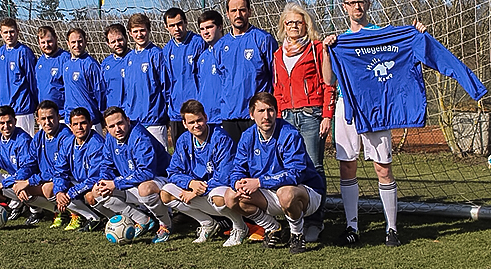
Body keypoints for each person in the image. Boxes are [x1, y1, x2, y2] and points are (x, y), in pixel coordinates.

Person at [323, 0, 478, 248]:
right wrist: (328, 51)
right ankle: (352, 227)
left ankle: (391, 228)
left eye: (361, 2)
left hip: (378, 109)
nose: (357, 7)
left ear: (368, 4)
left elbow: (430, 52)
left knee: (383, 168)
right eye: (351, 3)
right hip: (346, 107)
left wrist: (417, 35)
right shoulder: (340, 42)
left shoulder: (387, 35)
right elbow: (328, 79)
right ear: (344, 7)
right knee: (347, 166)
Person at [224, 92, 325, 254]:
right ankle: (274, 228)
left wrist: (259, 182)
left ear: (276, 112)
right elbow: (237, 169)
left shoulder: (289, 134)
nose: (266, 116)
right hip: (270, 192)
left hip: (305, 192)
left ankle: (297, 235)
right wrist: (237, 182)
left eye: (270, 110)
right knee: (231, 196)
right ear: (251, 115)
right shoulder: (247, 137)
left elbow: (295, 174)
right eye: (261, 111)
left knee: (286, 192)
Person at [272, 2, 336, 242]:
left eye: (298, 22)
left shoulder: (317, 48)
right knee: (290, 168)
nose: (294, 27)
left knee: (314, 167)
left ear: (306, 24)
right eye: (289, 23)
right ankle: (295, 219)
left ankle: (315, 221)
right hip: (286, 117)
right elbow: (277, 89)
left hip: (311, 115)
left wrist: (327, 114)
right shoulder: (278, 54)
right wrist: (278, 118)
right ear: (283, 26)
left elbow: (329, 84)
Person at [160, 99, 247, 247]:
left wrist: (198, 190)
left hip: (217, 188)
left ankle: (240, 227)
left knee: (219, 197)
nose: (196, 125)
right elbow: (173, 171)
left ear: (206, 117)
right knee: (166, 193)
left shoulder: (221, 138)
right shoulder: (183, 140)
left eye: (199, 120)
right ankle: (207, 223)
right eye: (191, 122)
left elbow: (225, 175)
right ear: (184, 124)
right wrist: (190, 183)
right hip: (196, 189)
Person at [88, 106, 172, 243]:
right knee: (97, 191)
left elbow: (146, 172)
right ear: (106, 128)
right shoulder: (110, 138)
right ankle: (143, 220)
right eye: (112, 126)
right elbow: (106, 164)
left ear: (127, 120)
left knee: (145, 189)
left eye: (120, 123)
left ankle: (166, 224)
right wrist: (104, 181)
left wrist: (115, 183)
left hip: (161, 178)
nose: (117, 129)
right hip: (133, 181)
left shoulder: (140, 137)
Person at [215, 0, 278, 143]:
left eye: (242, 10)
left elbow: (275, 77)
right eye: (234, 11)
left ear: (249, 12)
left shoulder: (263, 40)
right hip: (230, 115)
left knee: (258, 162)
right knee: (233, 163)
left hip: (257, 114)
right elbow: (222, 79)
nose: (238, 14)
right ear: (227, 14)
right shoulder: (220, 46)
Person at [12, 100, 74, 225]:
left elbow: (59, 170)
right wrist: (20, 179)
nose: (47, 122)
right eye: (43, 118)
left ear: (58, 117)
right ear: (37, 120)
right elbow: (29, 163)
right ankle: (55, 210)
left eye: (50, 117)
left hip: (67, 179)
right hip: (45, 178)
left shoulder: (66, 136)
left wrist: (30, 181)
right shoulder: (39, 137)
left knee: (48, 188)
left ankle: (73, 213)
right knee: (17, 186)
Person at [53, 107, 106, 231]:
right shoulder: (67, 143)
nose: (79, 127)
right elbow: (59, 170)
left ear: (90, 124)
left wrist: (71, 193)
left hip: (94, 184)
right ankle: (92, 217)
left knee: (91, 195)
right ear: (70, 127)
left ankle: (110, 217)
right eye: (75, 124)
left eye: (83, 123)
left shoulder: (96, 144)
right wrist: (59, 191)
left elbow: (95, 177)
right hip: (79, 183)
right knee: (56, 191)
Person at [124, 13, 169, 148]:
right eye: (136, 31)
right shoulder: (129, 58)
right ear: (130, 33)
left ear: (149, 30)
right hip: (133, 120)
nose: (140, 34)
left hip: (154, 120)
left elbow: (165, 86)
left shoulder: (157, 54)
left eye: (142, 30)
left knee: (160, 161)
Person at [162, 8, 206, 146]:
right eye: (172, 25)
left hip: (197, 109)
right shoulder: (167, 49)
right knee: (181, 151)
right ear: (166, 27)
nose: (177, 28)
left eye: (179, 24)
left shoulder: (199, 43)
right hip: (176, 111)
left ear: (186, 22)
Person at [0, 18, 38, 136]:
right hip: (3, 110)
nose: (9, 35)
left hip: (22, 110)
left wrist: (35, 102)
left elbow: (32, 80)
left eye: (11, 32)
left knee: (24, 144)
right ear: (1, 33)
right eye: (5, 32)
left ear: (17, 32)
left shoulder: (24, 52)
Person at [62, 28, 105, 134]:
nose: (77, 45)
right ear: (68, 44)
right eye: (73, 42)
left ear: (85, 42)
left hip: (90, 121)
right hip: (71, 121)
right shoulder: (66, 65)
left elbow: (100, 93)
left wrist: (102, 115)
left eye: (80, 41)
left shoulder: (91, 64)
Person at [196, 10, 225, 125]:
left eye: (209, 27)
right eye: (202, 29)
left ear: (220, 27)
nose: (205, 32)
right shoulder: (202, 57)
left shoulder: (228, 50)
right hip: (207, 118)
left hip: (224, 117)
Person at [35, 26, 71, 120]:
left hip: (62, 115)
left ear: (55, 39)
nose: (46, 45)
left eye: (49, 41)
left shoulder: (66, 58)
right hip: (45, 115)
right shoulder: (40, 62)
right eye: (43, 42)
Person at [101, 24, 130, 110]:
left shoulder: (135, 58)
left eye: (120, 40)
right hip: (113, 113)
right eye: (113, 42)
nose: (117, 44)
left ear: (126, 38)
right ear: (108, 44)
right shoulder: (105, 63)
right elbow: (102, 91)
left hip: (133, 113)